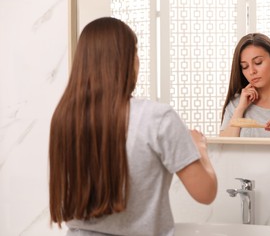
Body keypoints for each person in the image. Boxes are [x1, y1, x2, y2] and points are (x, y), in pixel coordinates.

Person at [49, 17, 217, 236]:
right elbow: (205, 193)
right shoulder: (156, 118)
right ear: (127, 59)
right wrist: (200, 149)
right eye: (135, 51)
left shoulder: (65, 119)